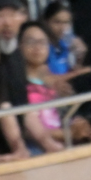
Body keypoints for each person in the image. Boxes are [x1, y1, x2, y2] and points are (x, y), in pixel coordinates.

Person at [0, 0, 31, 162]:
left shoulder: (18, 54)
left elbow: (24, 105)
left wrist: (46, 140)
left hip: (15, 147)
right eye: (0, 16)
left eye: (13, 15)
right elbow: (1, 104)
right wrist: (19, 147)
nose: (7, 23)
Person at [18, 21, 69, 152]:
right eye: (31, 42)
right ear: (19, 46)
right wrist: (67, 133)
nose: (37, 47)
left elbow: (66, 115)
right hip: (34, 148)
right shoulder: (16, 82)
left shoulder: (55, 81)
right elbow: (24, 129)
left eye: (42, 42)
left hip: (63, 142)